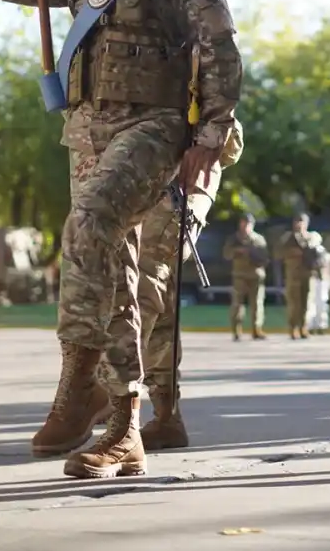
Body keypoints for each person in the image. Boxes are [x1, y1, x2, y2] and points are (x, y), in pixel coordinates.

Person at [0, 0, 241, 480]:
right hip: (87, 134)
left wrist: (208, 138)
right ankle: (91, 395)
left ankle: (115, 416)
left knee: (90, 227)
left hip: (153, 127)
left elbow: (220, 48)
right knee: (96, 259)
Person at [90, 119, 246, 451]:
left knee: (144, 279)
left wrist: (206, 141)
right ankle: (165, 416)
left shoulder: (189, 69)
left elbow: (222, 98)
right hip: (138, 166)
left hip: (182, 168)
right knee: (159, 294)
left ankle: (118, 407)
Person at [279, 213, 325, 339]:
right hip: (293, 275)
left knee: (306, 302)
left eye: (302, 221)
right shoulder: (289, 238)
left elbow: (316, 249)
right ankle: (293, 328)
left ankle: (303, 327)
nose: (299, 224)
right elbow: (280, 253)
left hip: (308, 274)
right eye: (297, 221)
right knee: (294, 303)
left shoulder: (312, 237)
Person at [225, 214, 269, 341]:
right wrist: (238, 251)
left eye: (248, 223)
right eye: (243, 223)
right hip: (240, 275)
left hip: (256, 275)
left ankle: (257, 329)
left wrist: (254, 255)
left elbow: (265, 257)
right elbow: (226, 254)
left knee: (257, 304)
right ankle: (237, 330)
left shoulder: (258, 239)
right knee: (237, 304)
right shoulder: (234, 239)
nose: (245, 226)